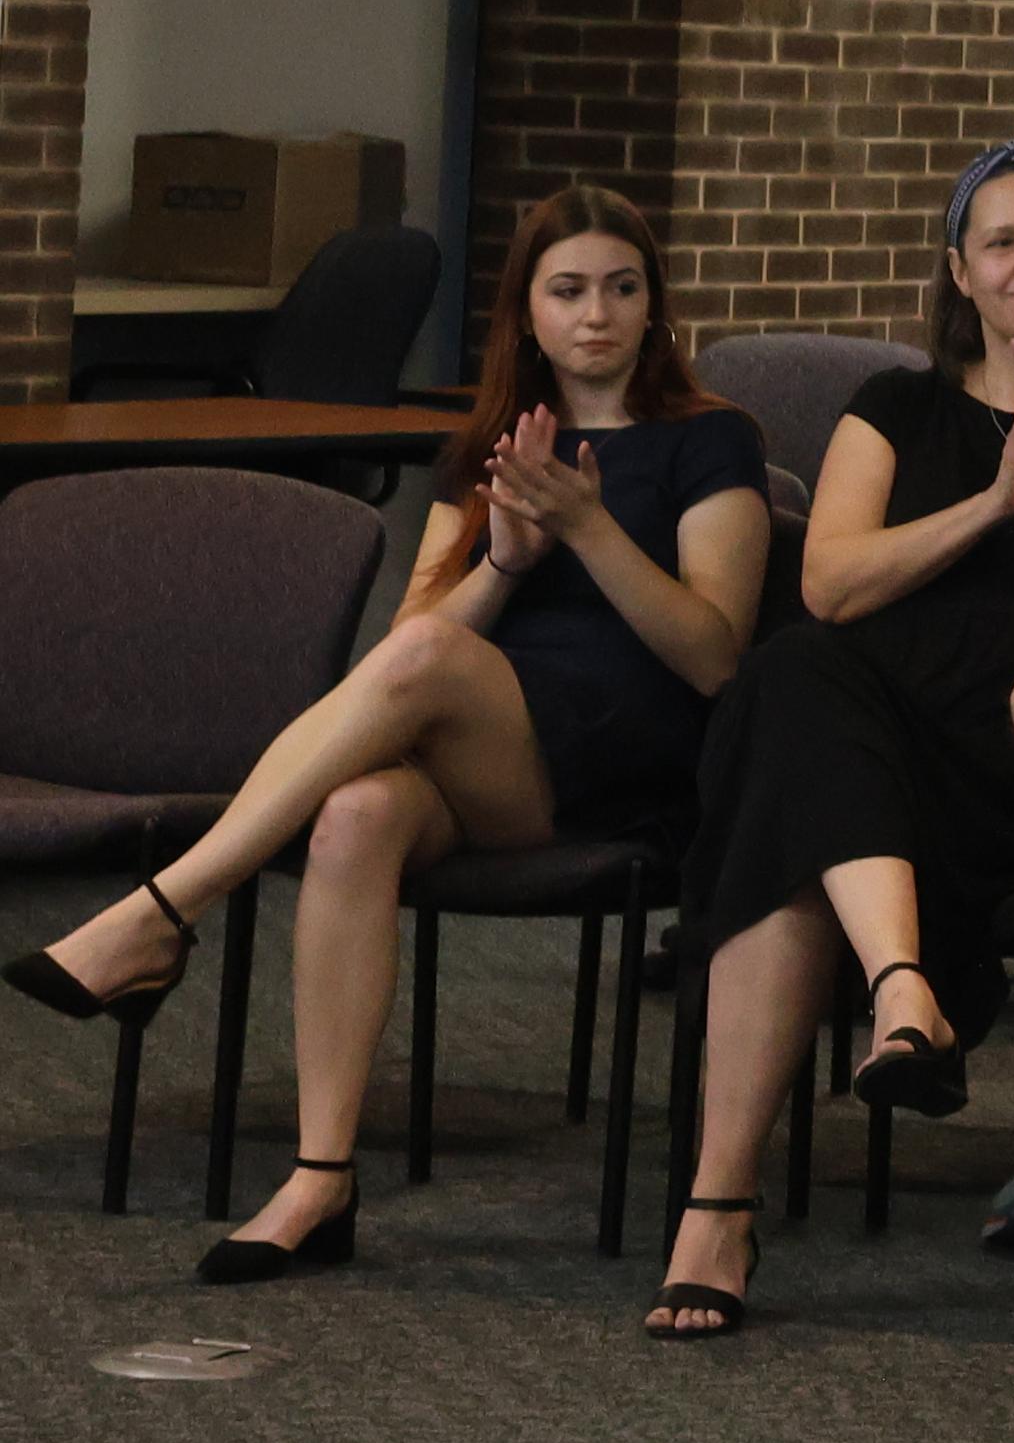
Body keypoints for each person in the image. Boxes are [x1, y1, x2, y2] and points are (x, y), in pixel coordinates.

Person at [7, 188, 766, 1283]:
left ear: (655, 306)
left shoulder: (710, 438)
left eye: (621, 288)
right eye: (568, 291)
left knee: (426, 665)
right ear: (527, 312)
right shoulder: (493, 444)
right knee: (357, 812)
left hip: (628, 755)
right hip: (489, 739)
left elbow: (713, 657)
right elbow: (411, 644)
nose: (597, 314)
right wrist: (504, 563)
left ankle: (165, 909)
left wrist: (588, 527)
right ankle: (320, 1177)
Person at [642, 140, 1014, 1336]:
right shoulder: (895, 407)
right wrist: (991, 502)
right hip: (900, 765)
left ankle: (739, 1183)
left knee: (795, 809)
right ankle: (880, 1014)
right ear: (960, 270)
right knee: (795, 677)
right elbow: (832, 583)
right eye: (1001, 241)